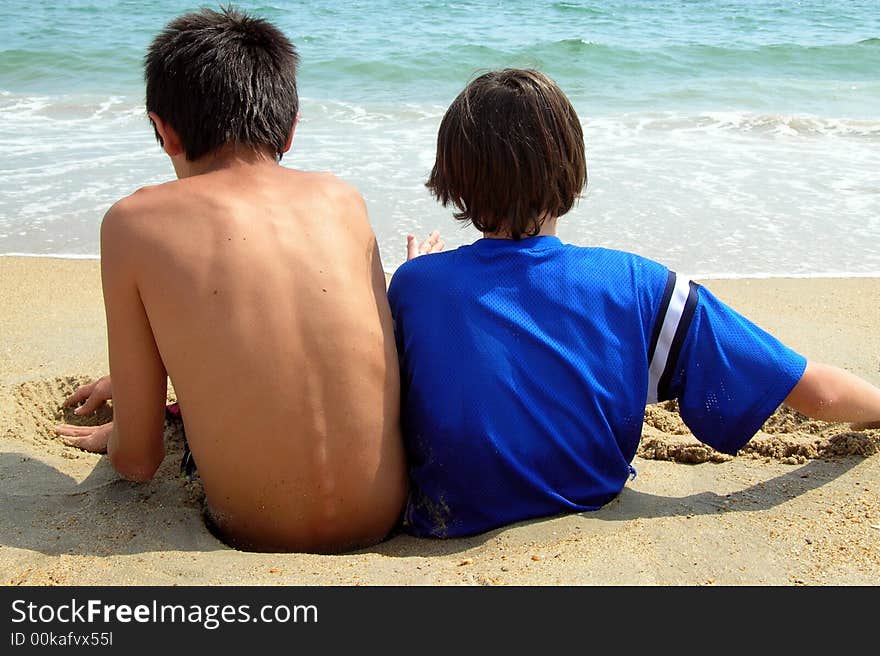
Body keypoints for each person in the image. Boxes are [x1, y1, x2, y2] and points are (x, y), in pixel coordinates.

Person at [387, 68, 880, 539]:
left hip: (450, 516)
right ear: (569, 165)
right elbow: (816, 393)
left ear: (453, 174)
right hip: (589, 495)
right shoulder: (636, 283)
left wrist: (417, 280)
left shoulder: (416, 287)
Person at [54, 7, 407, 554]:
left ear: (162, 130)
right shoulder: (343, 199)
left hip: (254, 529)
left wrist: (130, 414)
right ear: (290, 128)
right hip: (384, 515)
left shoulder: (133, 222)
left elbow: (137, 462)